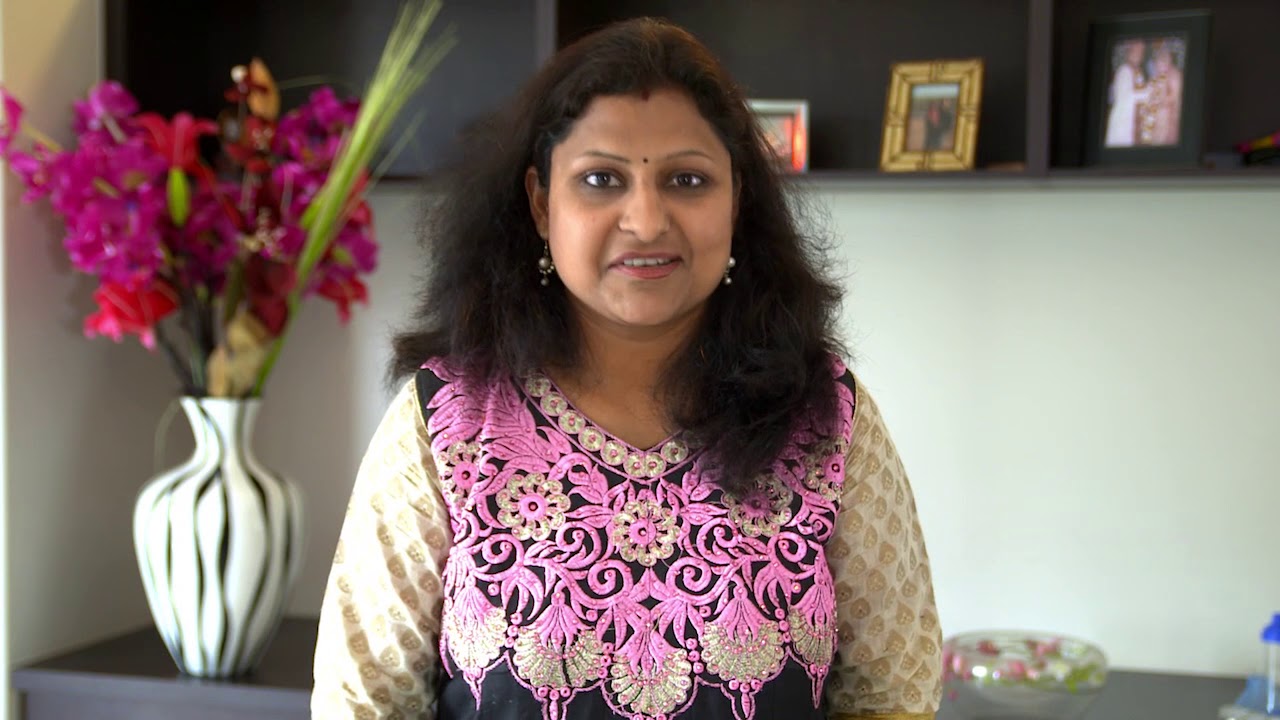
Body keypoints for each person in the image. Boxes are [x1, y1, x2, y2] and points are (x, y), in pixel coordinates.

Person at [311, 17, 941, 720]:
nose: (645, 220)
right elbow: (363, 702)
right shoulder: (448, 421)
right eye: (601, 179)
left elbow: (893, 697)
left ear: (736, 201)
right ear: (541, 203)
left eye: (687, 180)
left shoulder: (827, 420)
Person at [1104, 39, 1150, 148]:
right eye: (1137, 50)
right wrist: (1148, 92)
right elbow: (1126, 97)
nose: (1140, 54)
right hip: (1122, 125)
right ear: (1130, 50)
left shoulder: (1138, 72)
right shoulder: (1124, 70)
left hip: (1133, 124)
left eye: (1142, 51)